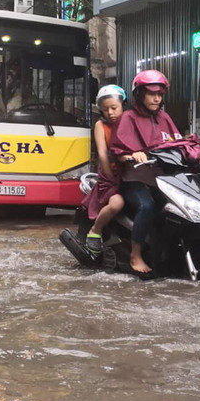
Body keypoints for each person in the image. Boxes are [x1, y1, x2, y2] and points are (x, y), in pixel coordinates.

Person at [109, 70, 182, 274]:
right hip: (134, 180)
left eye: (159, 94)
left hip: (162, 180)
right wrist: (132, 155)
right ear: (140, 94)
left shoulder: (165, 117)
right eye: (151, 94)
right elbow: (117, 152)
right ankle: (135, 255)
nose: (156, 98)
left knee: (177, 209)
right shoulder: (127, 118)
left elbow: (177, 143)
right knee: (147, 206)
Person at [82, 85, 127, 255]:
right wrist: (110, 176)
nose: (110, 113)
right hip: (110, 178)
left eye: (114, 108)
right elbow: (102, 153)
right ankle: (95, 230)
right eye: (106, 109)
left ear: (123, 106)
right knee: (116, 204)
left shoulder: (131, 123)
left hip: (132, 174)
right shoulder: (100, 125)